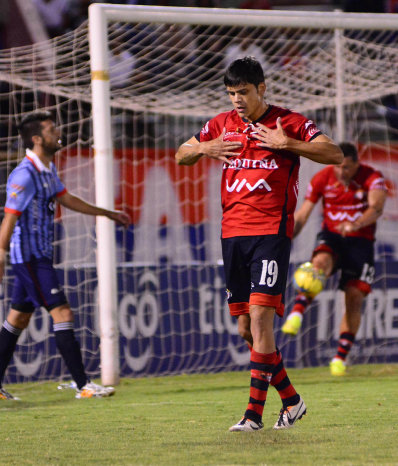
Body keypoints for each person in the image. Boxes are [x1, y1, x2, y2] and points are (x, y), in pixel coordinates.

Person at [175, 56, 343, 431]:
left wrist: (290, 143)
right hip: (232, 234)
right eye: (231, 93)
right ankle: (293, 401)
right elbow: (180, 154)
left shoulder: (289, 122)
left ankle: (252, 416)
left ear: (261, 89)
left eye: (244, 92)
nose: (237, 99)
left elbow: (334, 153)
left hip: (270, 232)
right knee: (246, 330)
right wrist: (204, 148)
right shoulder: (220, 125)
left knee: (260, 319)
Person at [0, 111, 130, 400]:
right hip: (30, 257)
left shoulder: (46, 169)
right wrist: (0, 252)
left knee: (18, 319)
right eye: (50, 129)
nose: (57, 132)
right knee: (62, 312)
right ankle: (83, 384)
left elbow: (67, 199)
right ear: (37, 139)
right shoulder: (24, 174)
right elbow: (9, 217)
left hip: (39, 255)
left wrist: (107, 214)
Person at [282, 142, 387, 376]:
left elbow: (377, 207)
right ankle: (296, 313)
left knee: (353, 297)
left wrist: (356, 224)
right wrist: (285, 238)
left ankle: (339, 358)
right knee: (319, 264)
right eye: (339, 167)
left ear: (356, 164)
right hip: (332, 235)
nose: (342, 172)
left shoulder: (372, 176)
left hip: (361, 241)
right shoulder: (323, 177)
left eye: (347, 168)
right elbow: (303, 213)